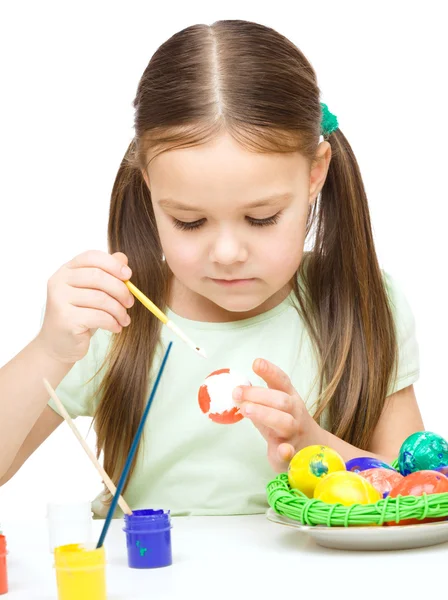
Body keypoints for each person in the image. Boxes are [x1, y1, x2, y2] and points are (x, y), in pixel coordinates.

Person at [0, 19, 423, 517]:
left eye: (261, 218)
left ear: (316, 173)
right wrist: (49, 349)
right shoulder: (114, 314)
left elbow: (421, 494)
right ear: (149, 186)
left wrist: (314, 445)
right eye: (190, 221)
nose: (226, 252)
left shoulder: (363, 302)